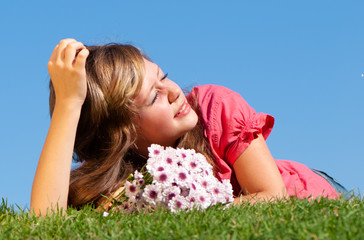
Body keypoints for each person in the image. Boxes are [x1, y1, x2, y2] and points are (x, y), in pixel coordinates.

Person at [30, 39, 348, 216]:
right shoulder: (124, 184)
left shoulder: (214, 106)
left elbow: (271, 195)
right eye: (154, 96)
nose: (173, 92)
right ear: (122, 136)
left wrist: (182, 216)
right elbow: (45, 224)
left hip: (312, 190)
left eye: (163, 76)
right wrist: (68, 106)